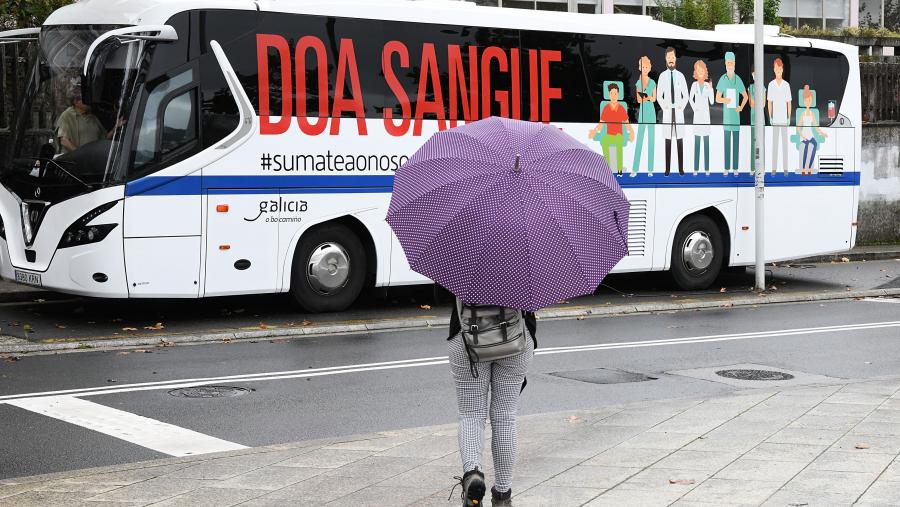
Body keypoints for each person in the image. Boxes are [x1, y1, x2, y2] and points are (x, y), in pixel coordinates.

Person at [449, 302, 536, 507]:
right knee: (505, 418)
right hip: (516, 338)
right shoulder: (522, 277)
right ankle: (503, 496)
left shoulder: (461, 277)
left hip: (467, 339)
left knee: (471, 415)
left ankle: (473, 473)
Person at [590, 83, 635, 176]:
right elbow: (601, 123)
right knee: (604, 141)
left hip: (618, 135)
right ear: (609, 95)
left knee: (619, 147)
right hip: (609, 135)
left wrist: (631, 132)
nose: (613, 96)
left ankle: (619, 169)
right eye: (611, 93)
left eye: (615, 93)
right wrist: (594, 131)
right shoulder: (606, 108)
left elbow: (626, 123)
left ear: (618, 95)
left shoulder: (621, 108)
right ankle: (608, 167)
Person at [656, 47, 689, 176]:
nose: (671, 59)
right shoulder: (662, 76)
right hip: (668, 112)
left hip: (678, 112)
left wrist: (681, 106)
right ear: (666, 58)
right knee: (668, 141)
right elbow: (659, 95)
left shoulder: (680, 76)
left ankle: (681, 169)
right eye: (668, 57)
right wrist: (665, 107)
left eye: (672, 57)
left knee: (679, 141)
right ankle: (667, 169)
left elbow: (685, 95)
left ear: (675, 59)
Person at [715, 51, 748, 176]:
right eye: (728, 62)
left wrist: (740, 107)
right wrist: (726, 100)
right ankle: (726, 168)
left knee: (736, 145)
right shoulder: (722, 79)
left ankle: (735, 168)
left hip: (736, 119)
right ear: (725, 63)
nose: (730, 64)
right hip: (726, 119)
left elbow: (745, 96)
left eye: (732, 62)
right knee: (727, 145)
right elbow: (717, 98)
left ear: (734, 64)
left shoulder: (737, 79)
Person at [632, 56, 657, 177]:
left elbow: (654, 98)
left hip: (651, 113)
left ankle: (650, 170)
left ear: (650, 68)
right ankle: (635, 169)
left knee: (651, 142)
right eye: (643, 67)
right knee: (639, 141)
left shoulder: (652, 82)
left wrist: (645, 97)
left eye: (647, 67)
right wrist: (647, 98)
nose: (645, 69)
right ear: (640, 68)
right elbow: (638, 99)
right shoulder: (639, 83)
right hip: (642, 114)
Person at [767, 58, 792, 176]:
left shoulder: (786, 85)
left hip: (784, 121)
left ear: (782, 69)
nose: (778, 70)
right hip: (775, 120)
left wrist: (789, 117)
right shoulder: (771, 85)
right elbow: (769, 102)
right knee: (775, 145)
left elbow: (789, 103)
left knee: (785, 145)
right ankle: (774, 169)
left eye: (780, 68)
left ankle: (786, 169)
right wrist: (770, 117)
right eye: (776, 68)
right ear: (774, 69)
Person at [688, 60, 714, 176]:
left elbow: (712, 102)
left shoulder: (708, 86)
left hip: (706, 118)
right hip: (698, 117)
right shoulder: (694, 85)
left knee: (706, 144)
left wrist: (711, 89)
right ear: (696, 72)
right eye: (698, 71)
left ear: (705, 72)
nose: (700, 73)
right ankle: (696, 169)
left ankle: (707, 168)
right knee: (697, 144)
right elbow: (690, 99)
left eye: (702, 71)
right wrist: (695, 109)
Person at [797, 85, 827, 175]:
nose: (808, 102)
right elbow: (798, 127)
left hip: (810, 135)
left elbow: (816, 127)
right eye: (806, 100)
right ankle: (803, 169)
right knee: (805, 150)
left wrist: (822, 133)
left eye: (809, 100)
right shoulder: (802, 114)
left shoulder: (812, 113)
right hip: (804, 135)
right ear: (804, 101)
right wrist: (802, 135)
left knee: (814, 145)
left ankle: (809, 167)